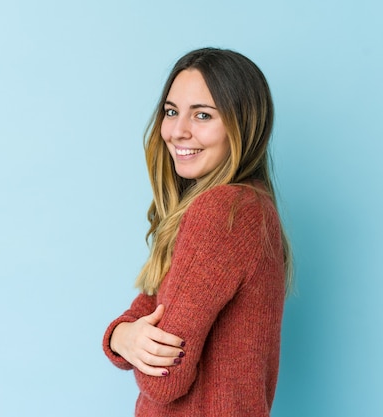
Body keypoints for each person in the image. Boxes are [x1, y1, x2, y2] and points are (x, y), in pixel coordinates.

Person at [102, 47, 292, 416]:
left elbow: (163, 378)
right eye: (171, 112)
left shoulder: (224, 211)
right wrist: (120, 336)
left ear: (244, 125)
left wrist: (120, 338)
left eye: (202, 115)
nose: (177, 131)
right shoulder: (248, 208)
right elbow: (148, 310)